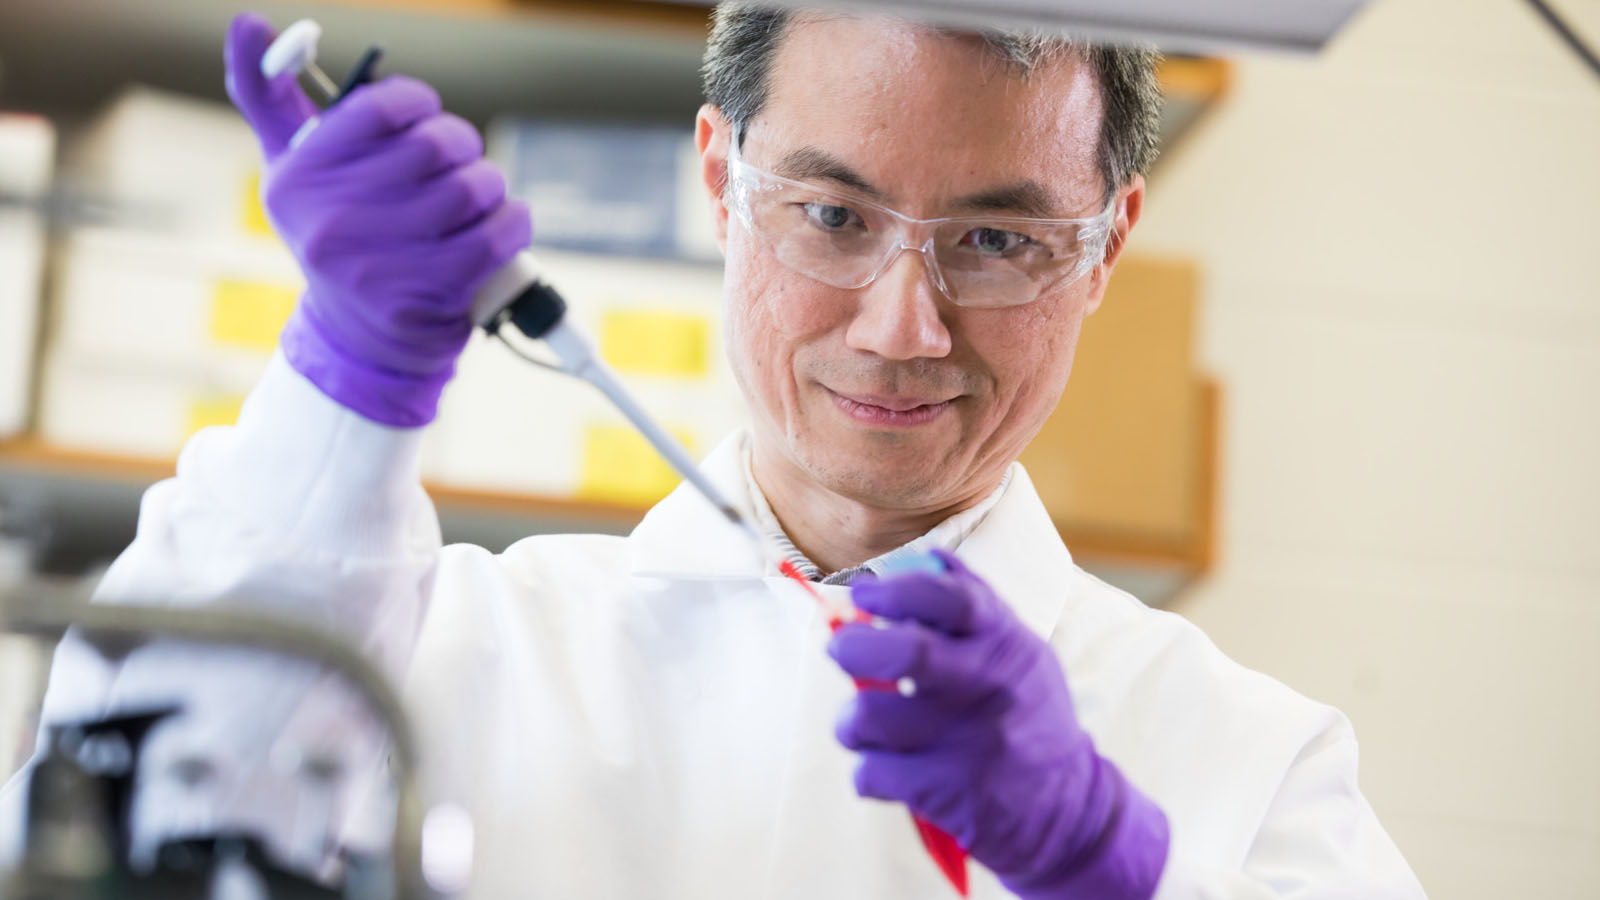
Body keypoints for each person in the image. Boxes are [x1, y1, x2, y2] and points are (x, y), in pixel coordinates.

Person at [1, 5, 1426, 899]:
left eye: (998, 240)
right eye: (833, 215)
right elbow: (107, 832)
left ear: (1108, 246)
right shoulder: (445, 653)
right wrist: (347, 380)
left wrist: (1113, 869)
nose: (901, 327)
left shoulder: (1246, 759)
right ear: (718, 179)